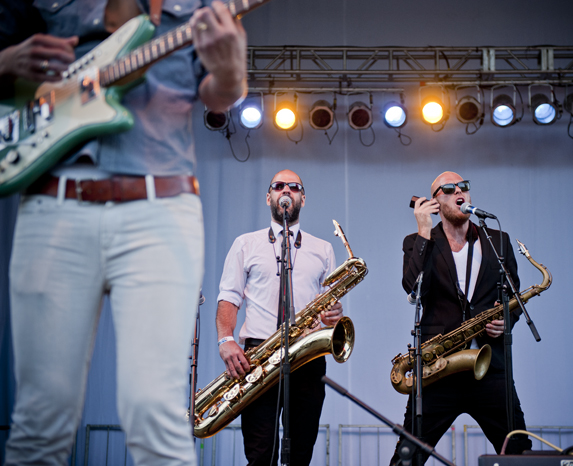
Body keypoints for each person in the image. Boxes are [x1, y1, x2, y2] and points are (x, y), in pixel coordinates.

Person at [1, 1, 247, 464]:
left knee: (157, 417)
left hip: (161, 204)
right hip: (54, 201)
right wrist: (6, 61)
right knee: (39, 422)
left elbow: (217, 97)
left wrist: (232, 74)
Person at [391, 171, 532, 465]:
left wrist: (506, 321)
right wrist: (424, 231)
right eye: (448, 188)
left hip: (491, 367)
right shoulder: (417, 241)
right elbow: (412, 286)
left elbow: (514, 297)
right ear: (435, 202)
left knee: (519, 453)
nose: (459, 191)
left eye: (463, 186)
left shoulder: (498, 240)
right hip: (438, 368)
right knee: (408, 457)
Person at [216, 169, 344, 466]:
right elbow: (229, 297)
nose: (286, 190)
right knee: (260, 454)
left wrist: (335, 316)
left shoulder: (323, 249)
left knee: (301, 454)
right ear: (268, 197)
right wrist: (225, 340)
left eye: (294, 187)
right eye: (279, 186)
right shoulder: (245, 243)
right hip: (258, 356)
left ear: (303, 199)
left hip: (307, 355)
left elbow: (331, 309)